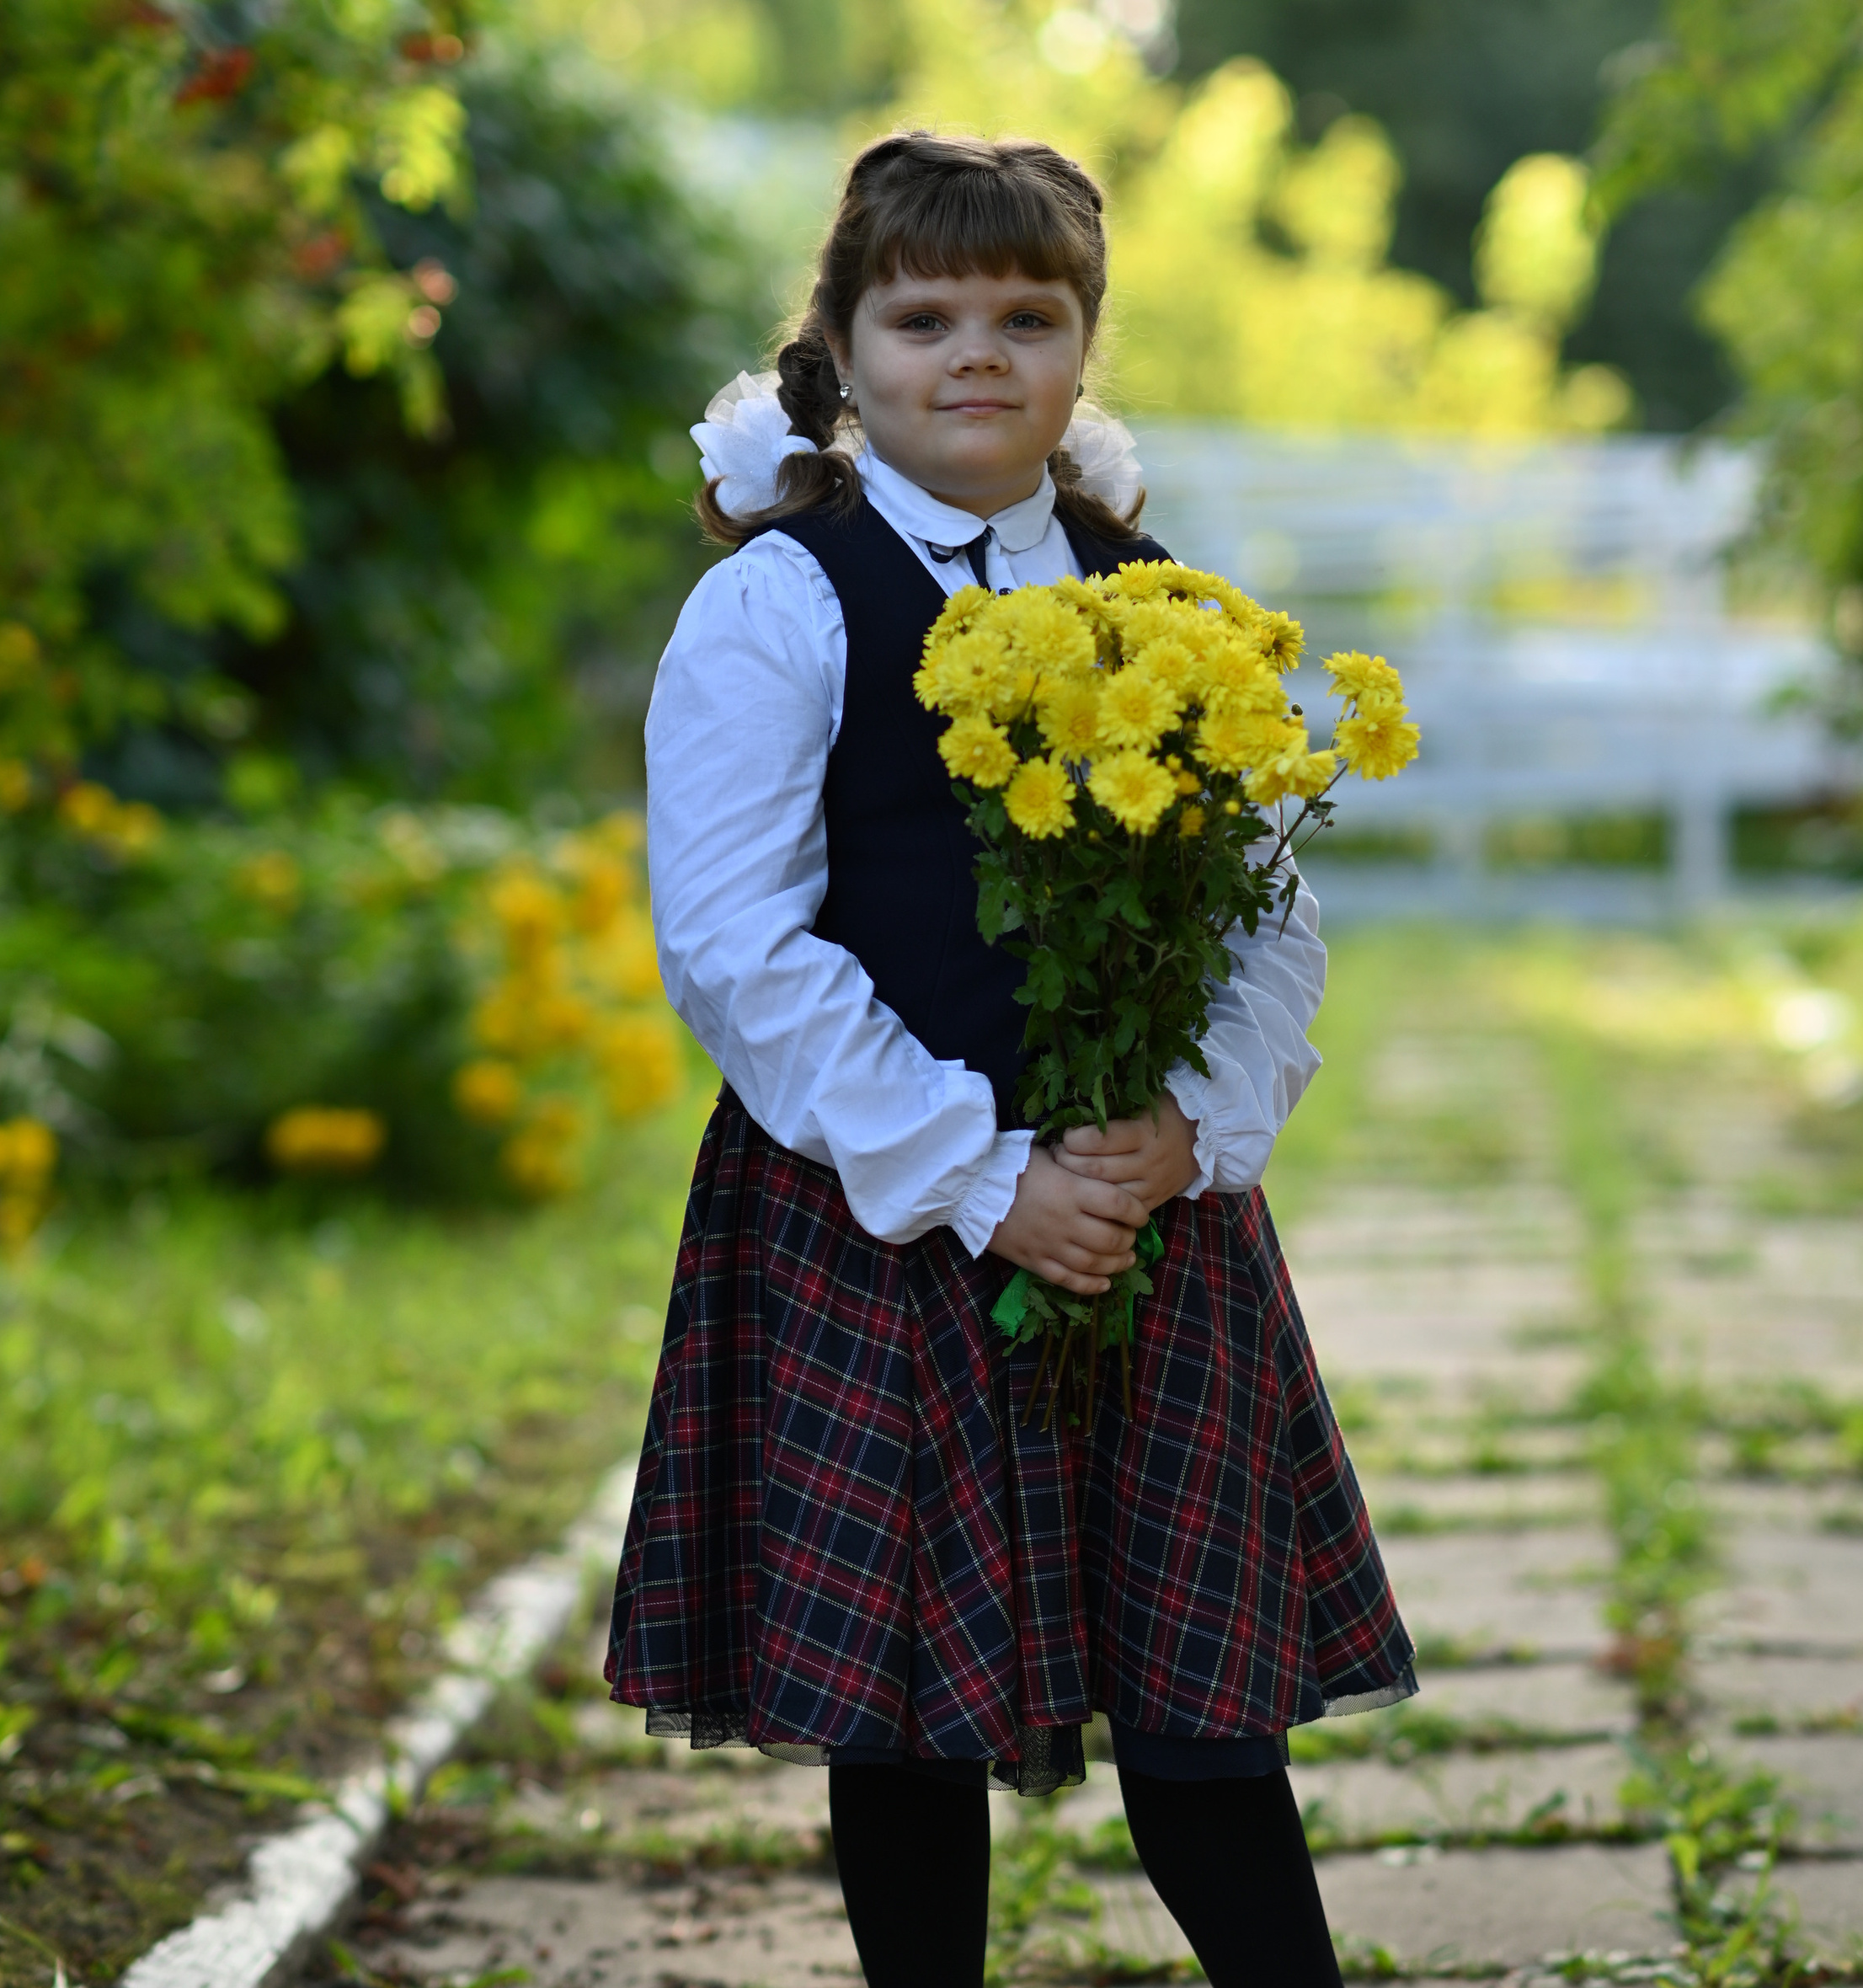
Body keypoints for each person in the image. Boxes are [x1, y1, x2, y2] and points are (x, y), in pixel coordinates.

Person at [606, 130, 1415, 1988]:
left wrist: (1181, 1127)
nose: (975, 353)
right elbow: (738, 943)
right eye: (924, 316)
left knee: (1206, 1714)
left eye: (1025, 317)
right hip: (877, 1218)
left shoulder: (1164, 605)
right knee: (907, 1716)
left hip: (1142, 1218)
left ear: (1080, 349)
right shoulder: (780, 601)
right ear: (843, 346)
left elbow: (1263, 908)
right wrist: (985, 1175)